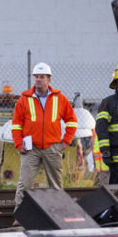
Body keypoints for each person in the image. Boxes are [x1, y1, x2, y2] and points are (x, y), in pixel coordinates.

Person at [11, 62, 78, 206]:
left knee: (56, 186)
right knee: (24, 185)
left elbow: (72, 120)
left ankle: (58, 215)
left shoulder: (60, 98)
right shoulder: (24, 99)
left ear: (49, 79)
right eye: (36, 77)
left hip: (53, 147)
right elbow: (16, 124)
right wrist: (18, 143)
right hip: (31, 149)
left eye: (42, 77)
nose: (38, 80)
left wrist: (66, 141)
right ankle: (20, 217)